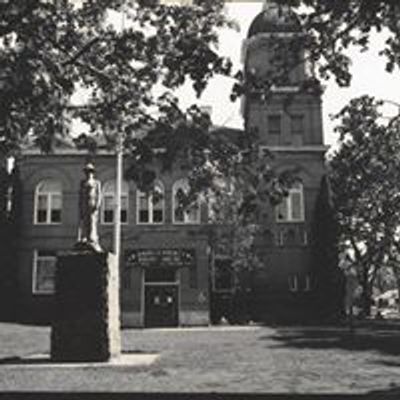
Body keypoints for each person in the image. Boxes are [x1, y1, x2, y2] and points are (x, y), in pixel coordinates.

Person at [76, 162, 102, 252]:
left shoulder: (96, 182)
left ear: (93, 173)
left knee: (92, 221)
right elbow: (80, 194)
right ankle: (84, 238)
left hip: (92, 203)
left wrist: (97, 204)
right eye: (87, 172)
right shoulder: (82, 182)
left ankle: (92, 239)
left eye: (90, 171)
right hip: (84, 203)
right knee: (84, 221)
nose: (88, 173)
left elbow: (99, 194)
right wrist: (80, 205)